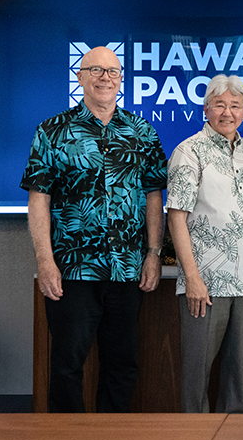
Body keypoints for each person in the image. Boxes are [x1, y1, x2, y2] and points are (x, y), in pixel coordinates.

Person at [21, 46, 167, 413]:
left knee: (122, 365)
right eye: (96, 70)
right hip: (71, 270)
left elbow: (153, 196)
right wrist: (45, 261)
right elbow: (39, 199)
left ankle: (112, 438)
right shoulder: (53, 131)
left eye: (113, 71)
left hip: (127, 269)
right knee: (67, 366)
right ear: (81, 76)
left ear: (121, 80)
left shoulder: (141, 132)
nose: (105, 77)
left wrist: (153, 254)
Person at [166, 74, 243, 414]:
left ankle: (237, 435)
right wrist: (192, 277)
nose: (228, 112)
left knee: (239, 373)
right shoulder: (188, 151)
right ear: (206, 108)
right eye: (220, 105)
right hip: (205, 282)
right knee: (198, 371)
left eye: (235, 106)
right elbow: (176, 217)